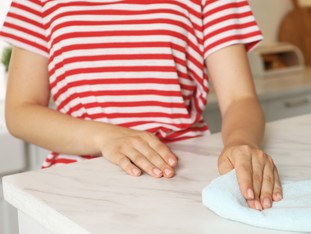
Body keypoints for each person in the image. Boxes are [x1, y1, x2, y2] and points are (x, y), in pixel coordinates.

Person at [0, 0, 282, 210]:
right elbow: (20, 110)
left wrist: (240, 143)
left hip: (184, 176)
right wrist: (105, 136)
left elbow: (239, 99)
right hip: (78, 186)